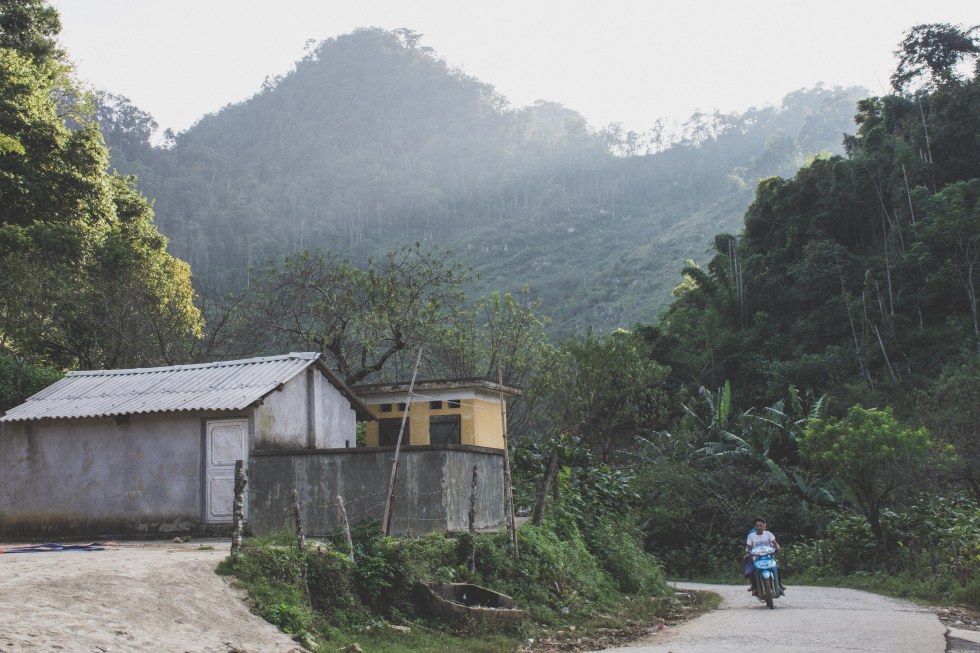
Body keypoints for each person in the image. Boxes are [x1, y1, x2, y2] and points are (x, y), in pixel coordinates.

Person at [744, 517, 785, 594]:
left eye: (761, 525)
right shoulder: (751, 536)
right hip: (756, 558)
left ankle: (779, 585)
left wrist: (778, 548)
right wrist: (746, 551)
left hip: (769, 557)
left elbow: (775, 542)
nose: (759, 527)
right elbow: (748, 546)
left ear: (764, 526)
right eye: (757, 525)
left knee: (777, 569)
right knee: (751, 572)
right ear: (755, 526)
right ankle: (754, 587)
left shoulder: (768, 534)